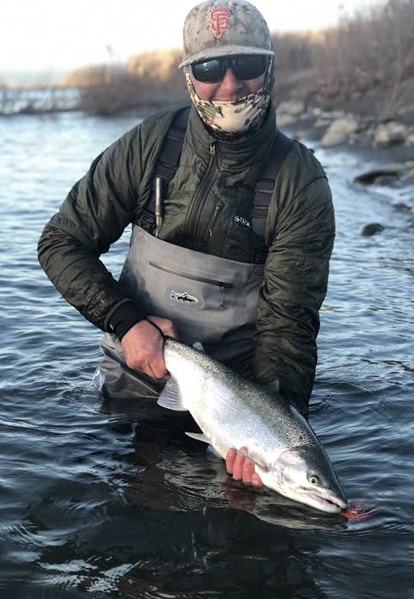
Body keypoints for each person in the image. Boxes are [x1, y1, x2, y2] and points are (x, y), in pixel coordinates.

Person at [37, 0, 335, 488]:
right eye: (210, 68)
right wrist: (127, 323)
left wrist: (278, 430)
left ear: (271, 67)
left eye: (248, 65)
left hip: (240, 402)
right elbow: (61, 242)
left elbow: (290, 328)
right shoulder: (148, 146)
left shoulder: (300, 183)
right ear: (188, 76)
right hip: (132, 385)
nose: (230, 84)